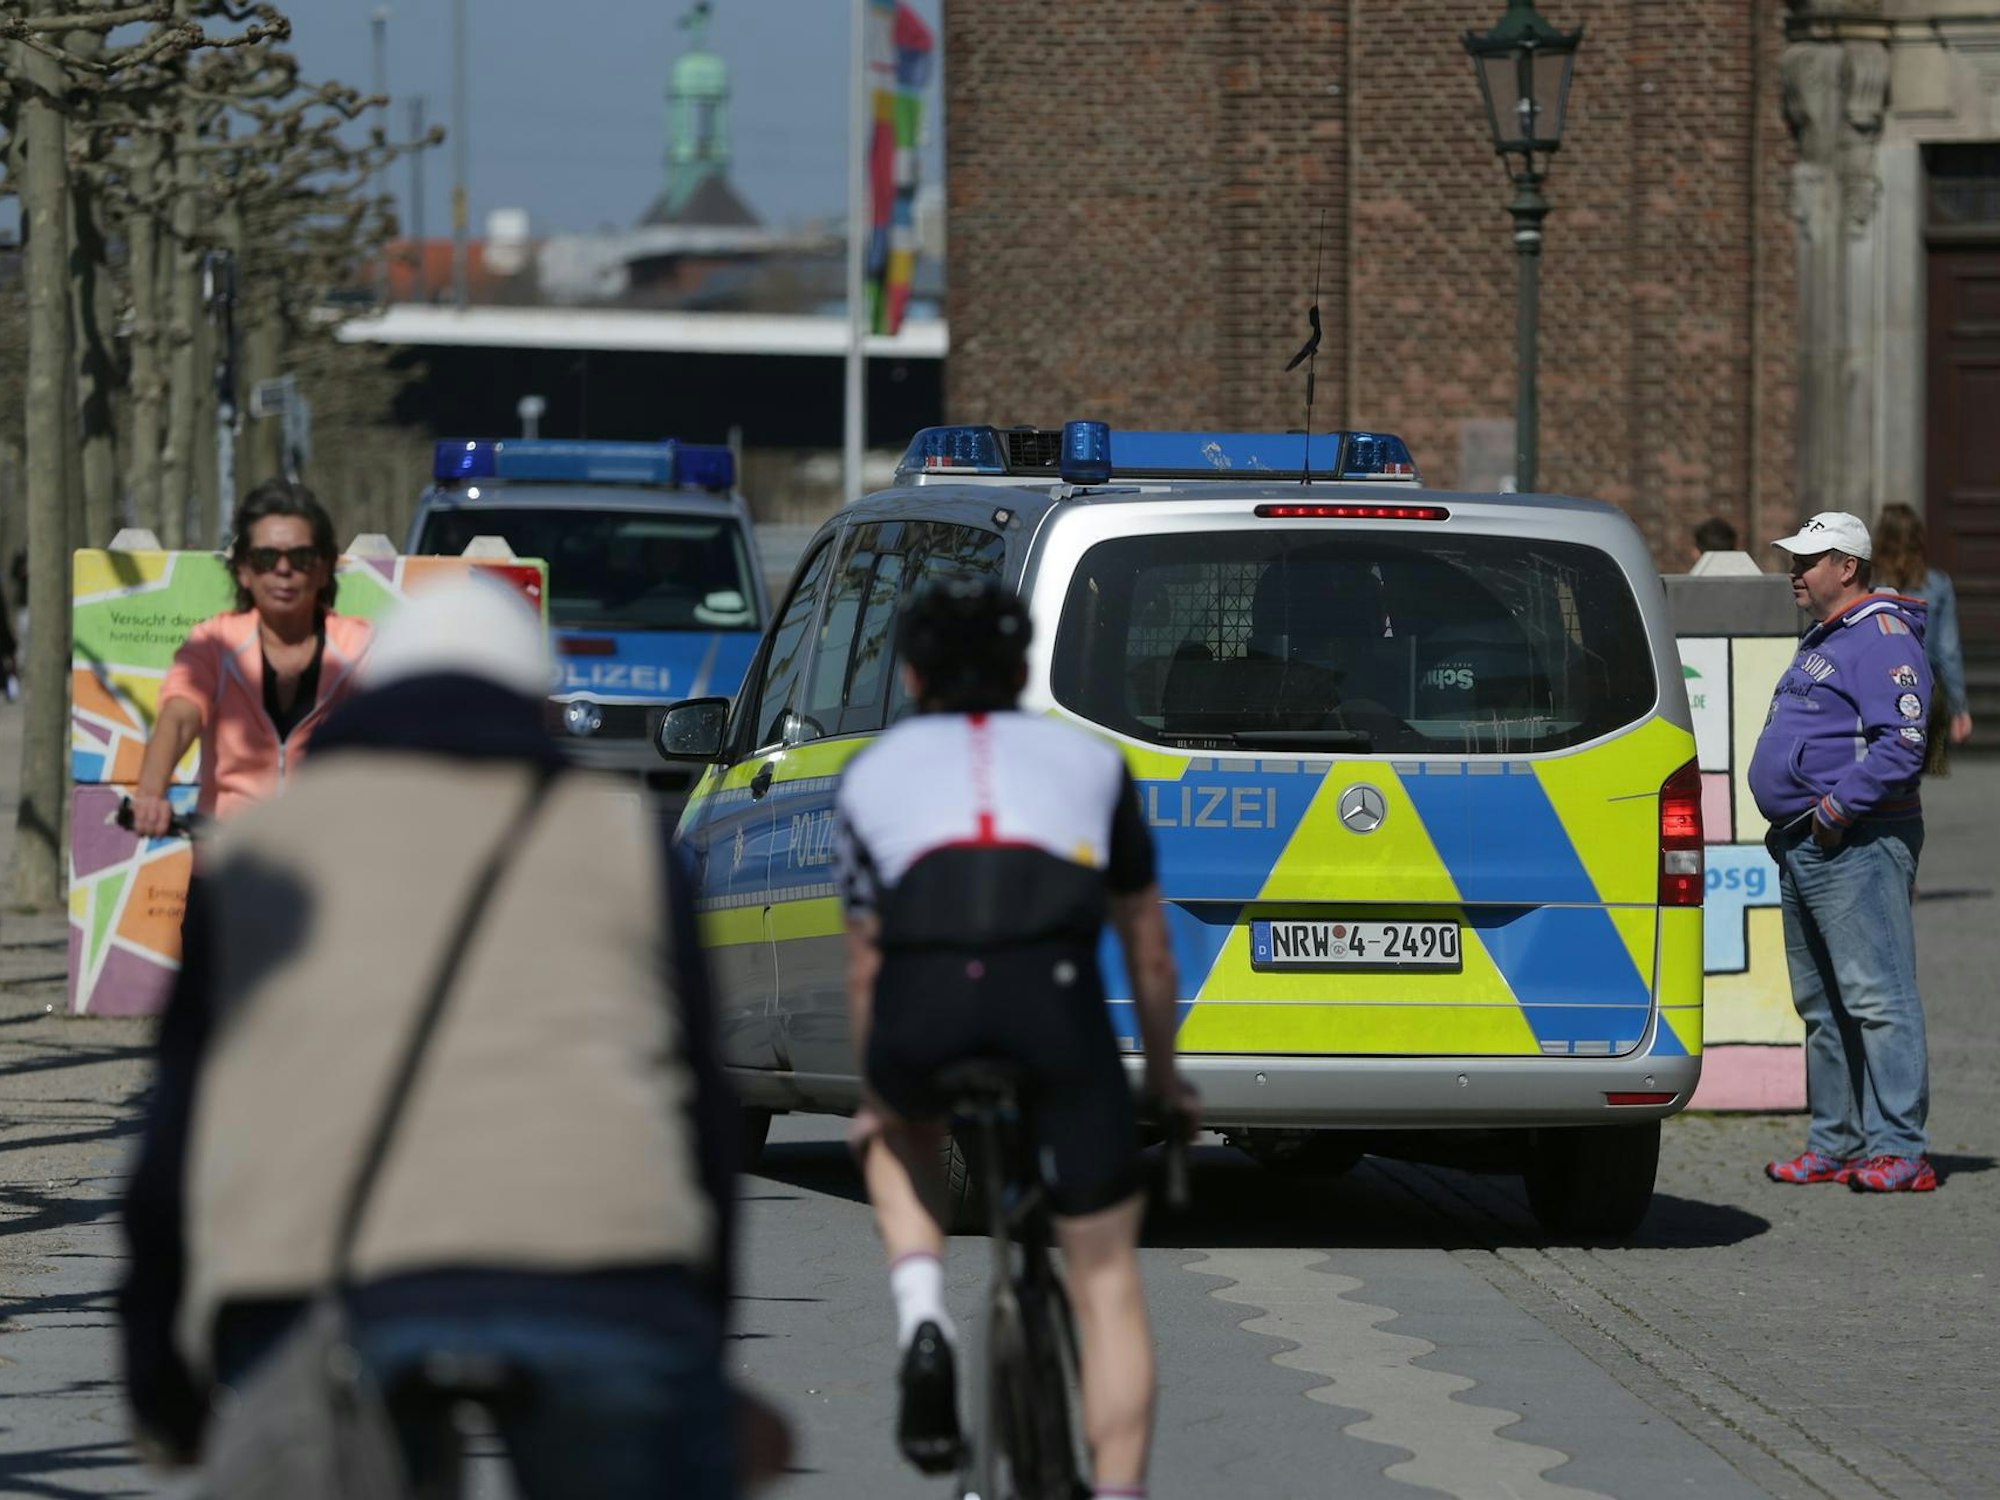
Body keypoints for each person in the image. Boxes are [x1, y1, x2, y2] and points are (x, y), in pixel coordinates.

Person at [118, 576, 765, 1495]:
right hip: (595, 1272)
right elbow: (705, 1112)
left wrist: (162, 1380)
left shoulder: (261, 852)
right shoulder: (621, 842)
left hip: (316, 1285)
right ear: (539, 705)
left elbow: (179, 1121)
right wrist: (697, 1345)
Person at [833, 578, 1198, 1498]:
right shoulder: (1092, 765)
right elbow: (1149, 949)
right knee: (1105, 1280)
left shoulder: (869, 774)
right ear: (1021, 667)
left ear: (912, 676)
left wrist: (883, 1097)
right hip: (1054, 1004)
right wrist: (1163, 1079)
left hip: (924, 1001)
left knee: (895, 1136)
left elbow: (868, 962)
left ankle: (925, 1319)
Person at [1749, 511, 1937, 1194]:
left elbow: (1903, 742)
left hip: (1853, 840)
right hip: (1807, 841)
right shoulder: (1830, 635)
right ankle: (1837, 1141)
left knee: (1877, 998)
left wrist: (1834, 809)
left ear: (1848, 567)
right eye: (1795, 559)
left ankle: (1900, 1149)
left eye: (1809, 560)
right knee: (1823, 1004)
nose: (1794, 571)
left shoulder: (1881, 638)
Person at [129, 480, 372, 837]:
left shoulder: (360, 647)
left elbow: (398, 726)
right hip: (227, 861)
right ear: (243, 571)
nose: (283, 570)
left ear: (322, 570)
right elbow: (180, 716)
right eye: (265, 558)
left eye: (301, 558)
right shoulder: (215, 643)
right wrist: (150, 793)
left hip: (324, 863)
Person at [1873, 502, 1974, 749]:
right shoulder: (1937, 585)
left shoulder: (1868, 584)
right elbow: (1947, 652)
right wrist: (1959, 707)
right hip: (1918, 695)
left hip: (1873, 691)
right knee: (1910, 771)